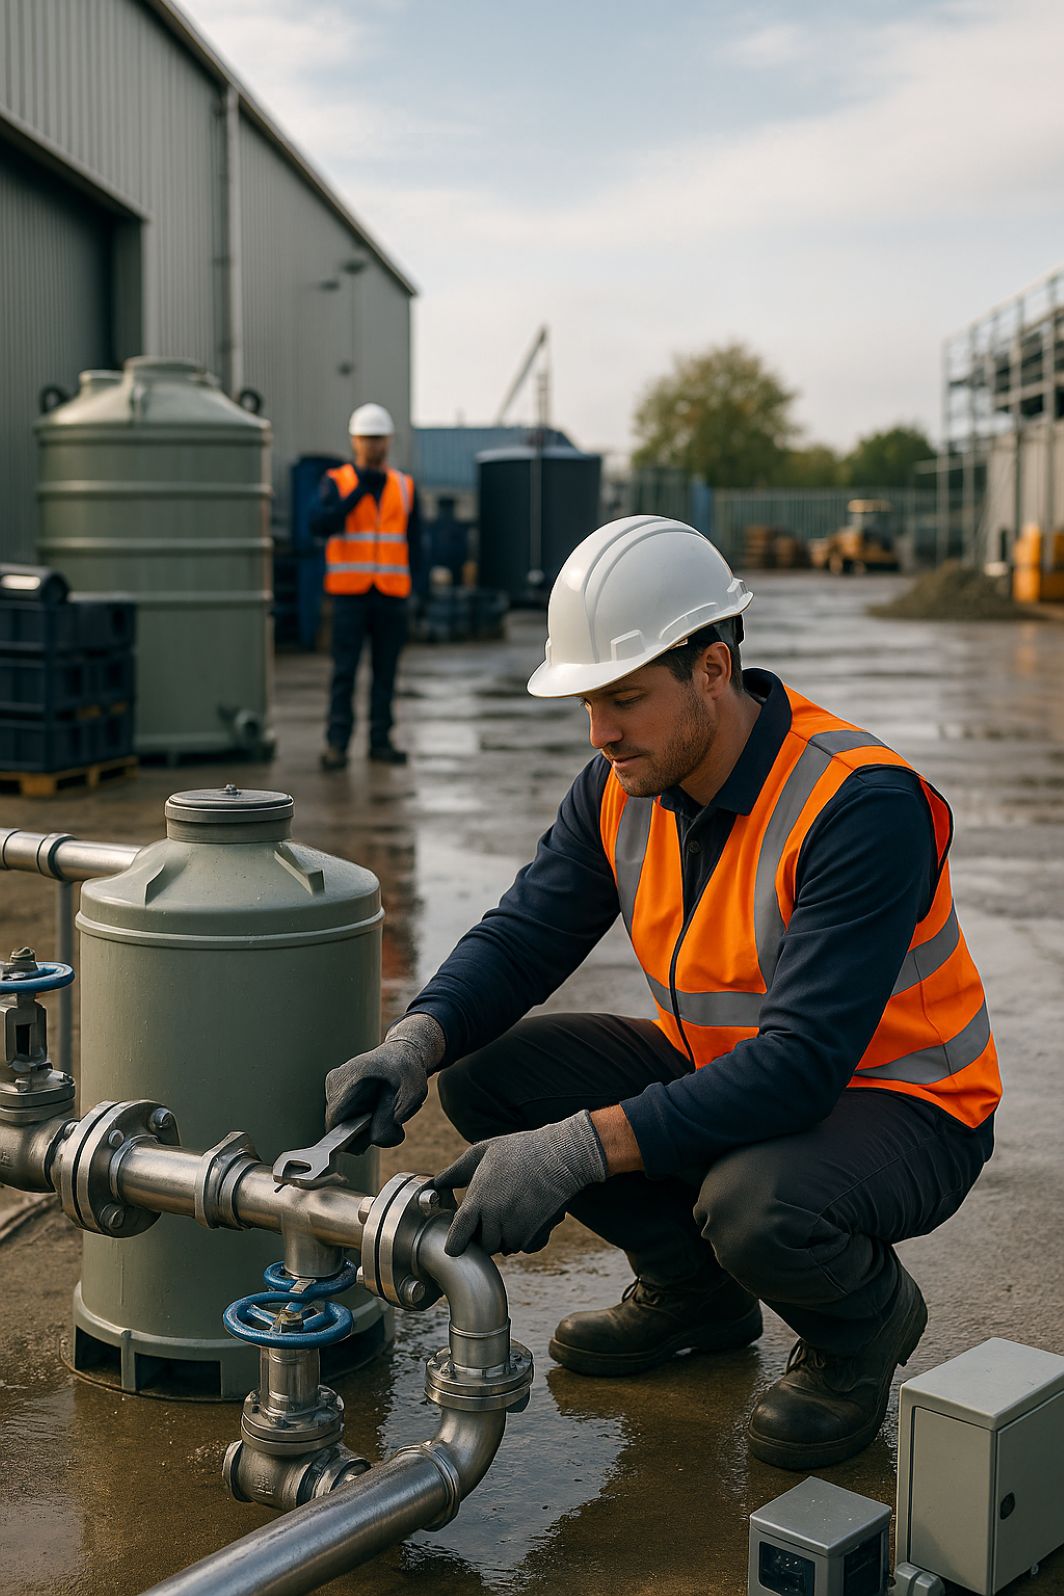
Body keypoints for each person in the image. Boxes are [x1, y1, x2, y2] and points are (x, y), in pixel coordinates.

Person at [325, 515, 1001, 1470]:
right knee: (489, 1077)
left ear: (712, 670)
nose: (601, 734)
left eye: (627, 699)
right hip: (737, 1075)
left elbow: (803, 1068)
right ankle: (695, 1296)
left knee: (754, 1203)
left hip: (905, 1105)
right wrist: (417, 1040)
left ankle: (862, 1330)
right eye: (588, 704)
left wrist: (578, 1149)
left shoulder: (858, 804)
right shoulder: (621, 780)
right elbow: (525, 934)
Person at [311, 402, 422, 767]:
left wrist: (420, 593)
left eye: (379, 439)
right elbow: (319, 524)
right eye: (367, 439)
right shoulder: (336, 482)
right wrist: (358, 492)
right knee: (344, 672)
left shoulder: (404, 487)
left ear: (388, 442)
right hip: (349, 595)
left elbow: (417, 543)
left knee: (385, 674)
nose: (374, 446)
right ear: (354, 441)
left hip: (390, 596)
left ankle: (380, 741)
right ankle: (337, 745)